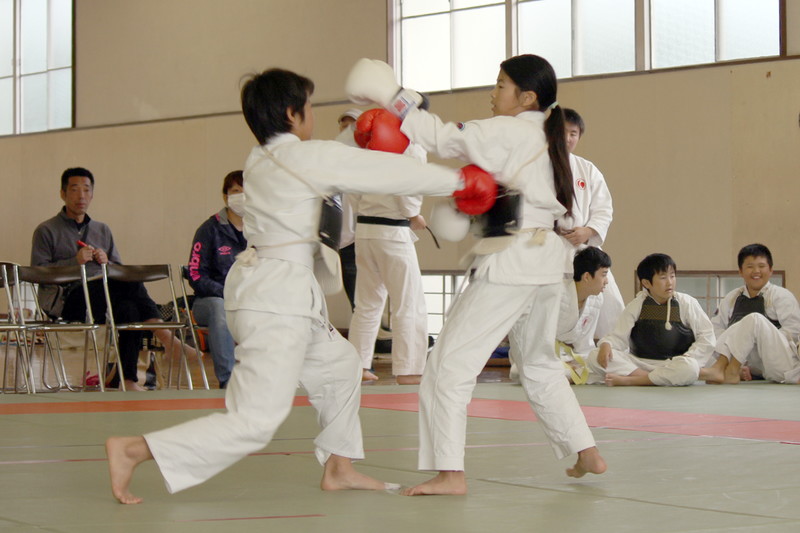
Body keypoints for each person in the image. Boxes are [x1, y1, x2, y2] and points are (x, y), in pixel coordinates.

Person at [104, 68, 496, 504]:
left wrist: (360, 136)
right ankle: (135, 450)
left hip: (279, 291)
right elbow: (381, 173)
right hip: (275, 300)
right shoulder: (303, 160)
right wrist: (459, 182)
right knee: (255, 421)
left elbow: (329, 159)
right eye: (308, 107)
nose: (313, 115)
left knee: (341, 367)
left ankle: (339, 467)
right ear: (292, 113)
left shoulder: (265, 158)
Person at [346, 54, 607, 496]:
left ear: (527, 97)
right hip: (547, 262)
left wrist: (393, 97)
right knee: (539, 364)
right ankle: (585, 450)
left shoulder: (509, 130)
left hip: (512, 262)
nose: (493, 93)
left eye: (501, 85)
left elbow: (443, 138)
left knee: (447, 365)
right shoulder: (547, 139)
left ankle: (450, 473)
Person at [31, 167, 200, 392]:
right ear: (63, 193)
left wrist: (107, 262)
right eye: (74, 189)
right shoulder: (46, 230)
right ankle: (166, 337)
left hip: (104, 295)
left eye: (86, 190)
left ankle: (127, 380)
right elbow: (38, 273)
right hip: (68, 299)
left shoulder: (102, 229)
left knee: (129, 309)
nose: (81, 195)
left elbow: (120, 272)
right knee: (129, 285)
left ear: (92, 194)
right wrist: (75, 262)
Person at [348, 110, 431, 385]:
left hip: (365, 231)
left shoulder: (367, 148)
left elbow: (352, 193)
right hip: (393, 233)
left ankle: (358, 366)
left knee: (367, 304)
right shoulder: (410, 147)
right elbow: (408, 188)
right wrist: (413, 214)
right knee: (409, 302)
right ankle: (409, 369)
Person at [586, 253, 722, 386]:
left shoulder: (687, 303)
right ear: (646, 282)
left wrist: (689, 357)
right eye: (663, 277)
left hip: (674, 363)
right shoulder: (637, 305)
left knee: (689, 367)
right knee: (594, 356)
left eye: (672, 276)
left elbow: (706, 336)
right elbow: (618, 337)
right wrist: (607, 344)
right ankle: (656, 378)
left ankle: (634, 380)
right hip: (640, 363)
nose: (670, 282)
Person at [560, 108, 624, 339]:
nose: (568, 138)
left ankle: (609, 348)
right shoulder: (535, 168)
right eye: (563, 132)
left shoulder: (587, 170)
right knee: (554, 310)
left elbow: (604, 209)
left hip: (583, 250)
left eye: (573, 134)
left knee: (611, 306)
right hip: (549, 251)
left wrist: (588, 231)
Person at [186, 170, 248, 389]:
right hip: (210, 302)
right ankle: (227, 381)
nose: (242, 196)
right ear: (225, 196)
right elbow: (195, 274)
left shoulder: (260, 230)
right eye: (236, 191)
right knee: (220, 307)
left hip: (251, 300)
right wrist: (225, 292)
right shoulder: (208, 230)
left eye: (247, 192)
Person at [710, 244, 800, 384]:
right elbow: (716, 330)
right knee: (711, 343)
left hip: (779, 362)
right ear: (741, 271)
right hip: (744, 363)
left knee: (755, 320)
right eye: (750, 266)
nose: (756, 271)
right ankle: (730, 369)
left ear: (771, 270)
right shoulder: (731, 298)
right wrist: (742, 353)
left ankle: (729, 370)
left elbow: (794, 332)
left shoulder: (782, 296)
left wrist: (760, 339)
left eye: (761, 266)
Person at [556, 246, 611, 384]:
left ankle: (570, 373)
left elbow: (585, 344)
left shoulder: (596, 299)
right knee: (534, 370)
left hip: (570, 355)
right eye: (603, 275)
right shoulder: (556, 294)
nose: (607, 281)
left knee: (612, 364)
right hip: (546, 353)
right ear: (587, 276)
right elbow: (539, 336)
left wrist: (578, 361)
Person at [334, 109, 362, 310]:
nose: (347, 131)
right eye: (343, 127)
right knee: (356, 302)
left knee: (372, 299)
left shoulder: (372, 156)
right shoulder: (334, 161)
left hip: (368, 236)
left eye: (352, 127)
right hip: (345, 241)